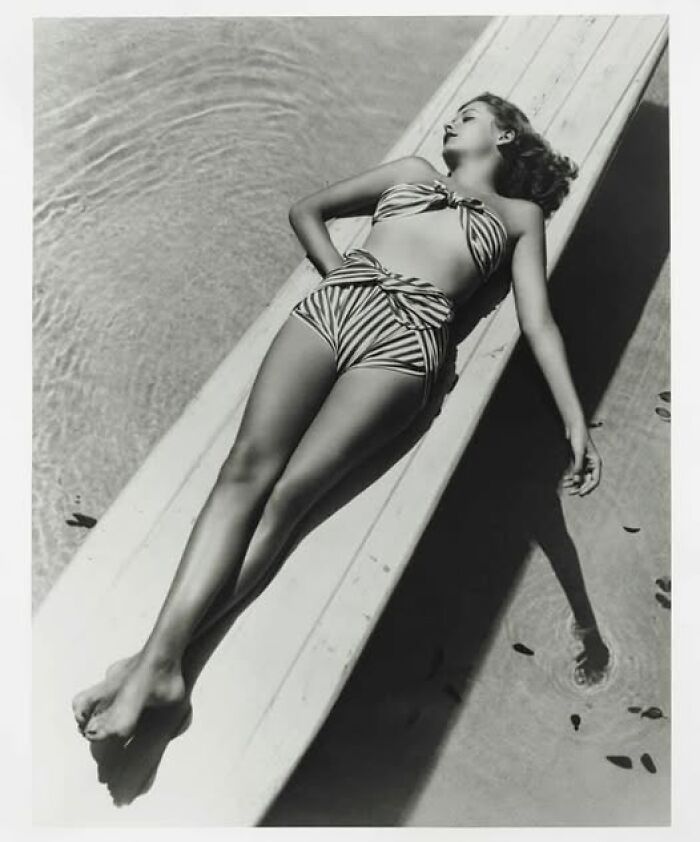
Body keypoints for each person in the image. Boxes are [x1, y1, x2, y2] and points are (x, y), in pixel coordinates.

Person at [72, 91, 602, 743]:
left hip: (406, 342)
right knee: (244, 469)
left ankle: (152, 664)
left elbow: (538, 322)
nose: (450, 120)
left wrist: (574, 420)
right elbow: (307, 209)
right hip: (336, 305)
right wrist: (343, 275)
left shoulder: (519, 217)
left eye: (467, 116)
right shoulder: (411, 173)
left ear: (507, 136)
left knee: (287, 498)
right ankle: (158, 667)